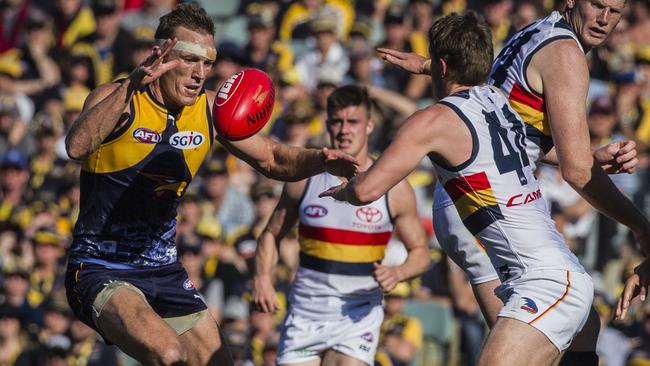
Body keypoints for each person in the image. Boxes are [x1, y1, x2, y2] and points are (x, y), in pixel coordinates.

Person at [321, 11, 648, 366]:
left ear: (443, 67)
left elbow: (367, 189)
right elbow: (532, 140)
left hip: (529, 266)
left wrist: (340, 187)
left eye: (615, 10)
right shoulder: (499, 102)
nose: (605, 17)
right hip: (538, 267)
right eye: (599, 4)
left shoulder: (525, 42)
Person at [62, 4, 359, 366]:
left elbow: (273, 159)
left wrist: (321, 159)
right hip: (99, 267)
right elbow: (76, 147)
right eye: (189, 60)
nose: (199, 74)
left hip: (162, 269)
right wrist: (129, 86)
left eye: (208, 63)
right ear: (162, 55)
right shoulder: (120, 99)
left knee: (219, 360)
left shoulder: (209, 111)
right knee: (168, 352)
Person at [252, 84, 431, 366]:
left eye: (353, 121)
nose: (344, 130)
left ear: (369, 126)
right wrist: (262, 278)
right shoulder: (304, 179)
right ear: (327, 125)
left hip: (357, 316)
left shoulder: (394, 189)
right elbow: (271, 234)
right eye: (337, 121)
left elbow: (421, 252)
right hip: (305, 313)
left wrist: (399, 272)